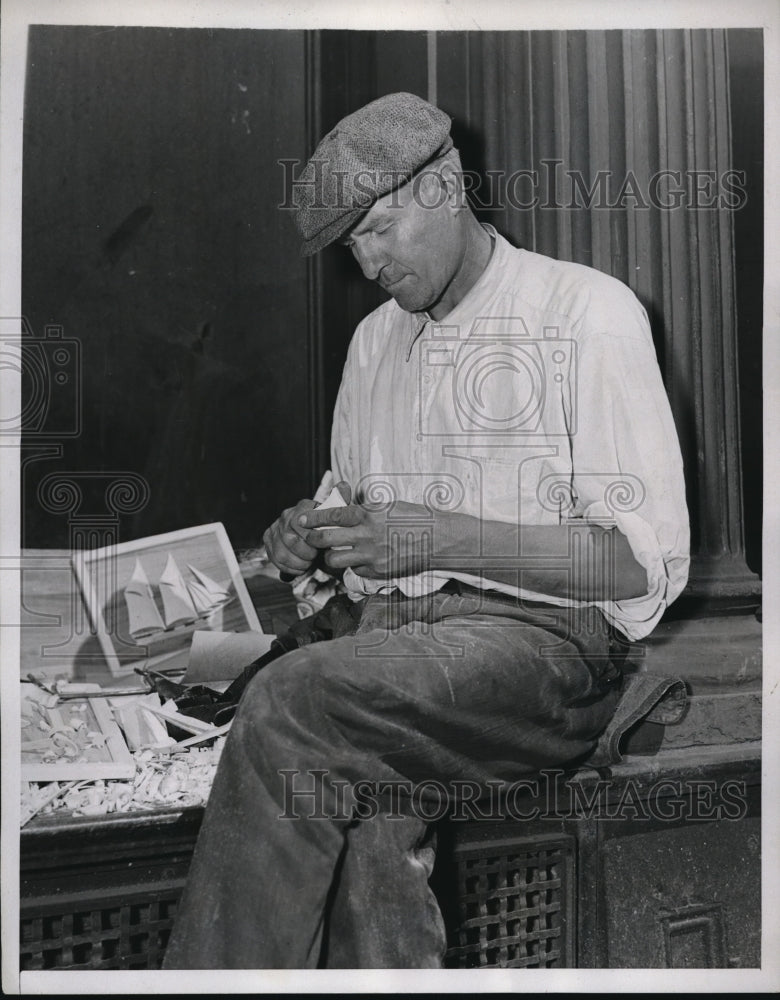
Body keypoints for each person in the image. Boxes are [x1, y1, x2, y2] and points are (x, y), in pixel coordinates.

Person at [163, 92, 689, 969]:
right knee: (359, 799)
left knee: (296, 702)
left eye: (378, 228)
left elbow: (638, 565)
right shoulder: (375, 341)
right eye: (352, 244)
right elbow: (358, 514)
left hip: (543, 652)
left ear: (446, 186)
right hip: (389, 646)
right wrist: (314, 542)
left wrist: (440, 540)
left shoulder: (587, 314)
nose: (368, 262)